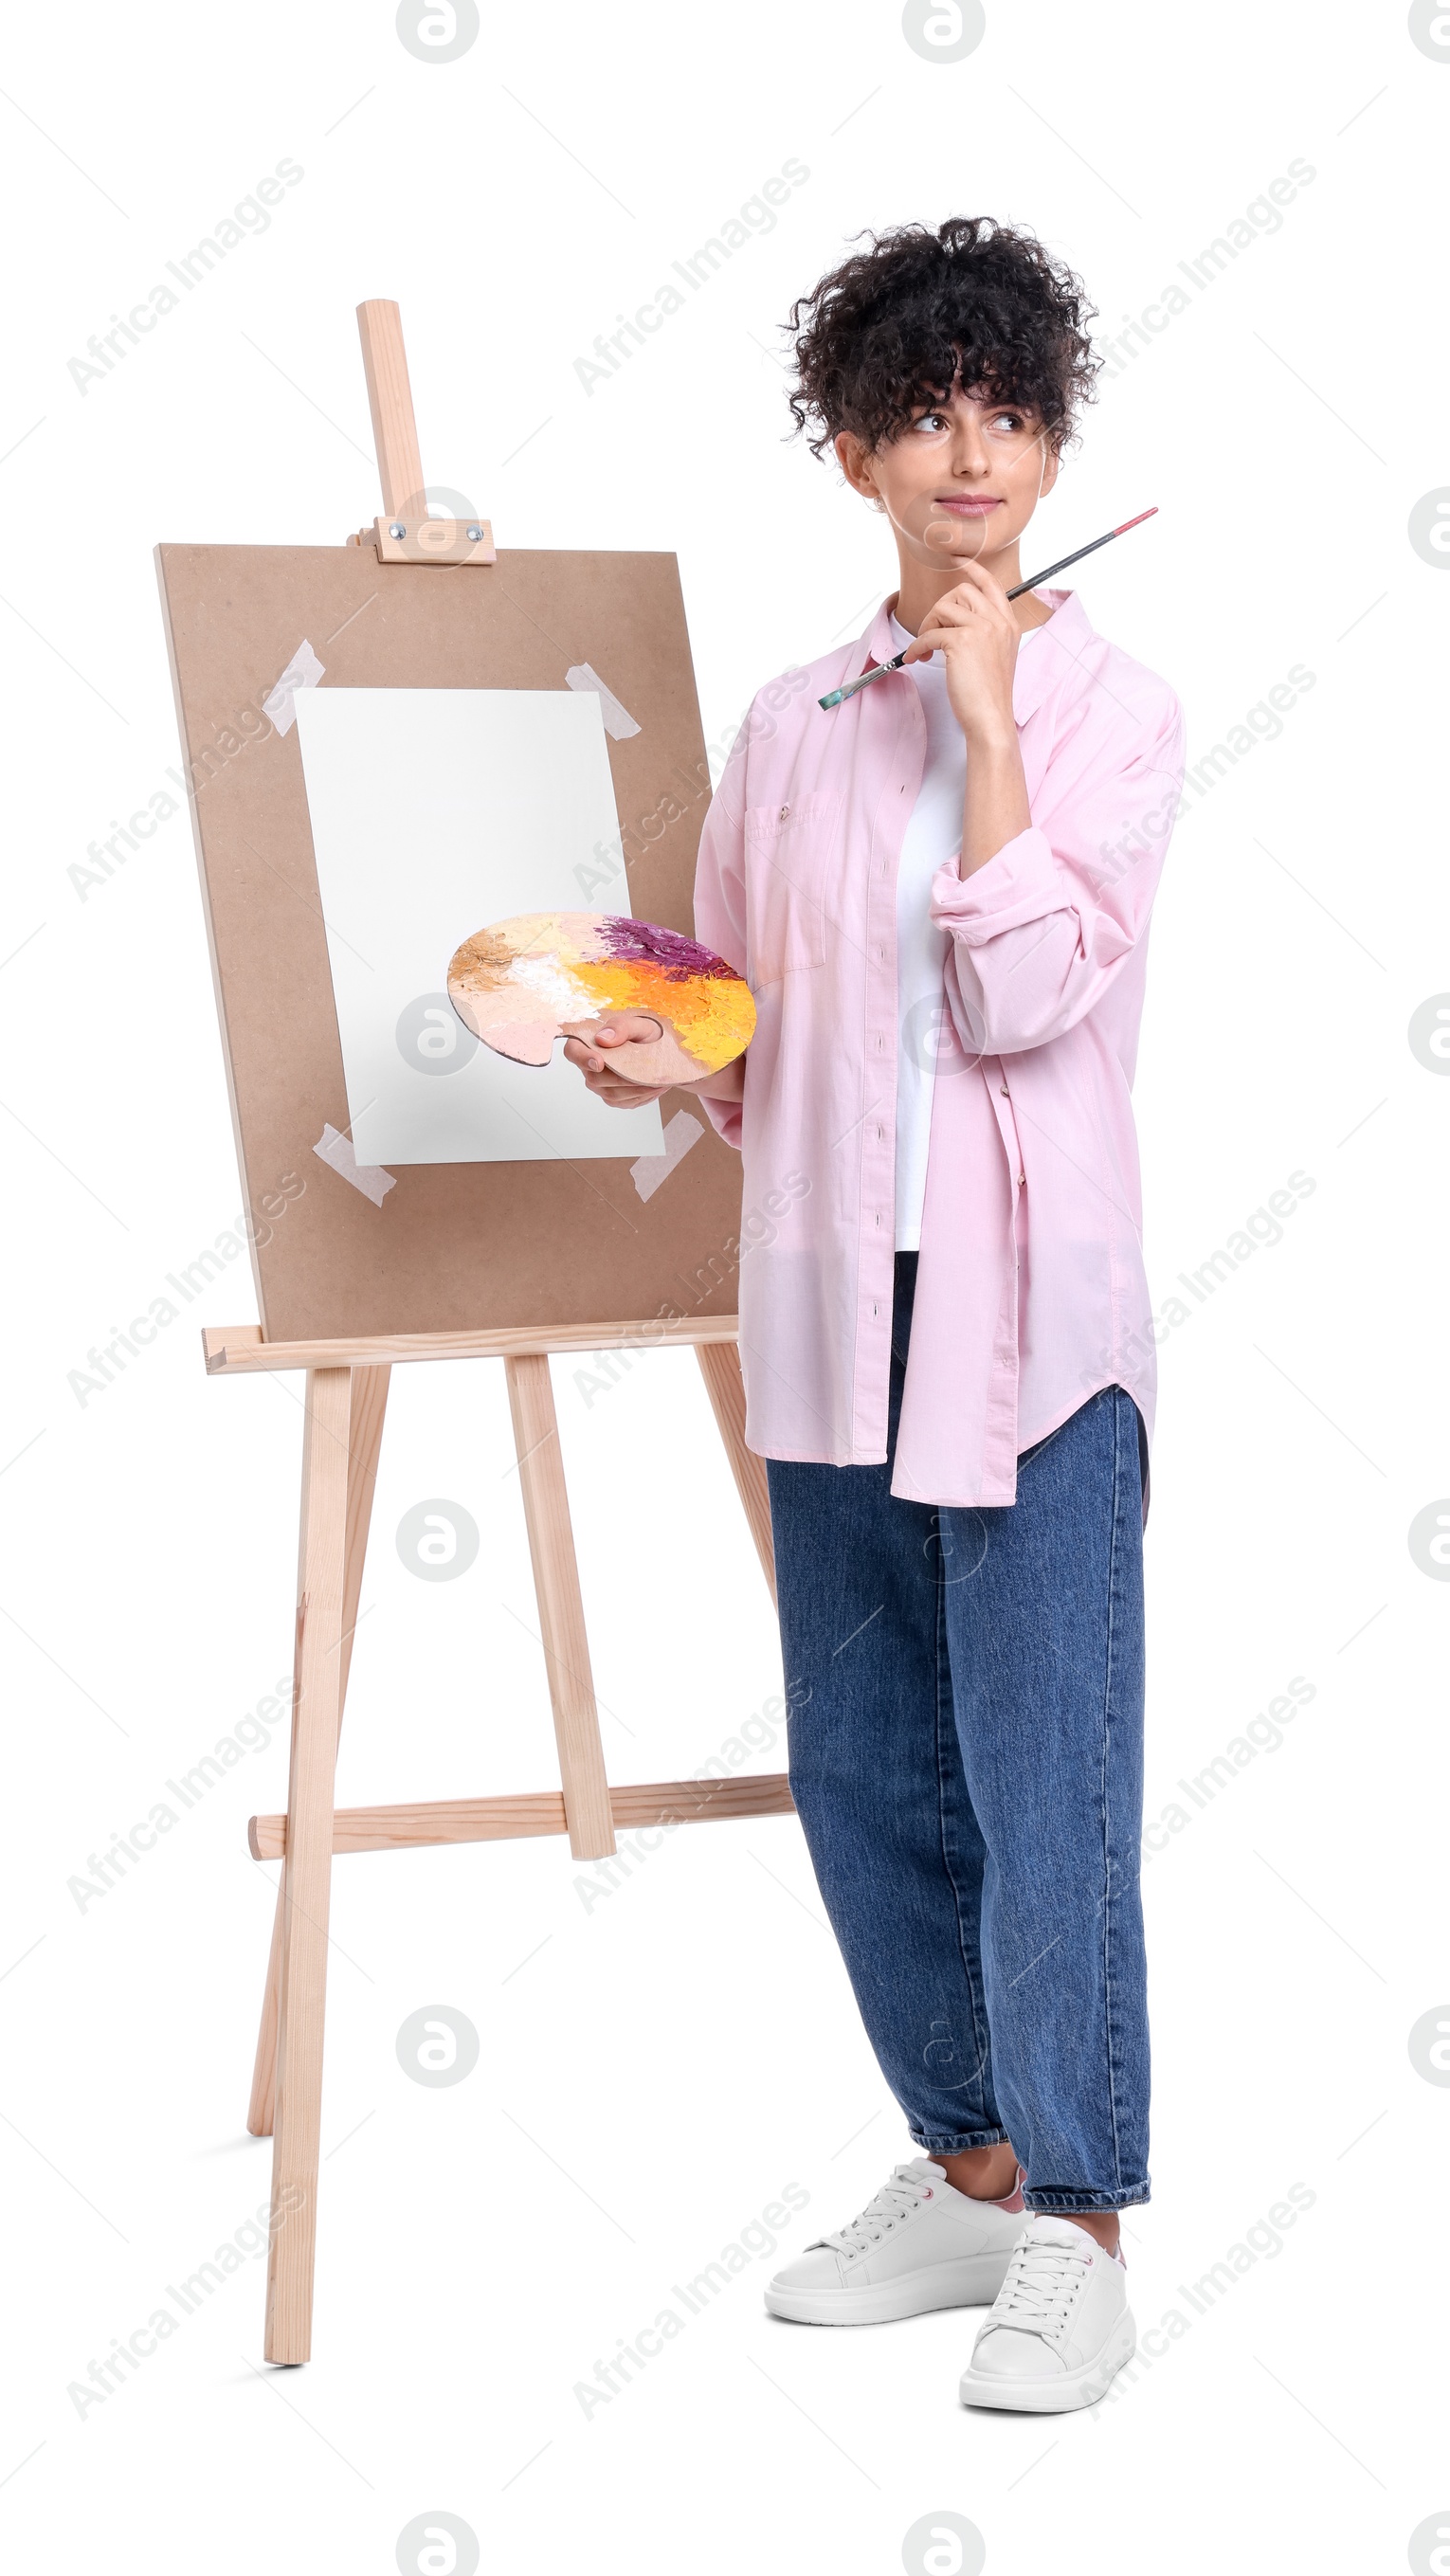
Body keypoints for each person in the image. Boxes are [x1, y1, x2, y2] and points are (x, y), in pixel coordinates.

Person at [566, 217, 1185, 2414]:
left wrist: (993, 722)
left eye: (1005, 409)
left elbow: (1019, 997)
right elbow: (751, 1016)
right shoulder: (790, 718)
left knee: (1043, 1776)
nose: (967, 451)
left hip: (1030, 1319)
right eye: (920, 411)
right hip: (830, 1310)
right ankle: (966, 2157)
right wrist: (673, 1062)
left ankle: (1080, 2222)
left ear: (1046, 441)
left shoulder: (1111, 708)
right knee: (862, 1772)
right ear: (849, 451)